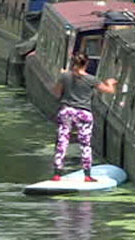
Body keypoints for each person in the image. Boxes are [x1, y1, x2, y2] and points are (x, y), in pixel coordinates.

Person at [50, 53, 117, 182]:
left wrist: (63, 78)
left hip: (67, 111)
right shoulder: (92, 79)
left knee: (62, 141)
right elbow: (109, 91)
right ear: (86, 64)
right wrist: (110, 83)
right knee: (85, 144)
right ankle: (87, 175)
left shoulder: (64, 76)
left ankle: (57, 174)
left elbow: (56, 93)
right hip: (84, 113)